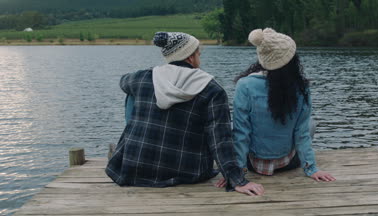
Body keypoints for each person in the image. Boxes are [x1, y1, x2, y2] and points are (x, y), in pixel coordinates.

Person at [106, 31, 264, 196]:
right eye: (199, 54)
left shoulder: (142, 78)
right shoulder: (211, 89)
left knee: (133, 94)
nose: (199, 59)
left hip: (136, 168)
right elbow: (220, 139)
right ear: (190, 57)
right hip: (188, 171)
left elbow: (123, 81)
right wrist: (237, 179)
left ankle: (135, 146)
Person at [215, 28, 334, 188]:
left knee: (236, 127)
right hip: (288, 163)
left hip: (253, 165)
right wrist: (311, 168)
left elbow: (241, 134)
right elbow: (302, 133)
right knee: (309, 124)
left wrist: (237, 173)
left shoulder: (245, 85)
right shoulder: (301, 87)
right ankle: (304, 161)